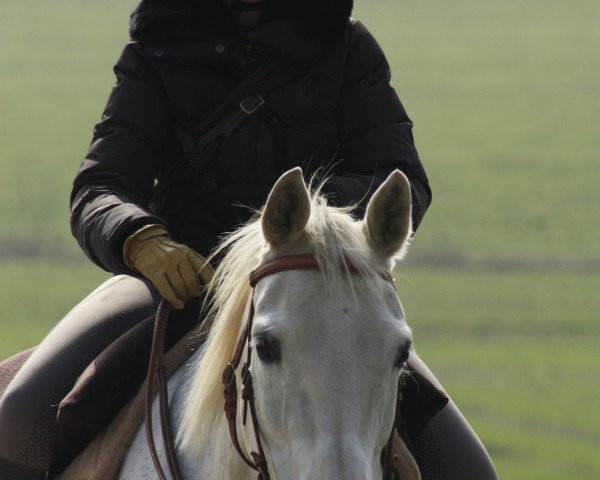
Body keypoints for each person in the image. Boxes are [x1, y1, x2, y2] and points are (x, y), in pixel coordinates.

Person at [0, 0, 497, 479]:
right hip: (182, 277)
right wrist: (140, 238)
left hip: (317, 282)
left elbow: (399, 177)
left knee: (468, 471)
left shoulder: (346, 46)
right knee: (20, 419)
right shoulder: (157, 47)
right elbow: (100, 185)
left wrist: (315, 223)